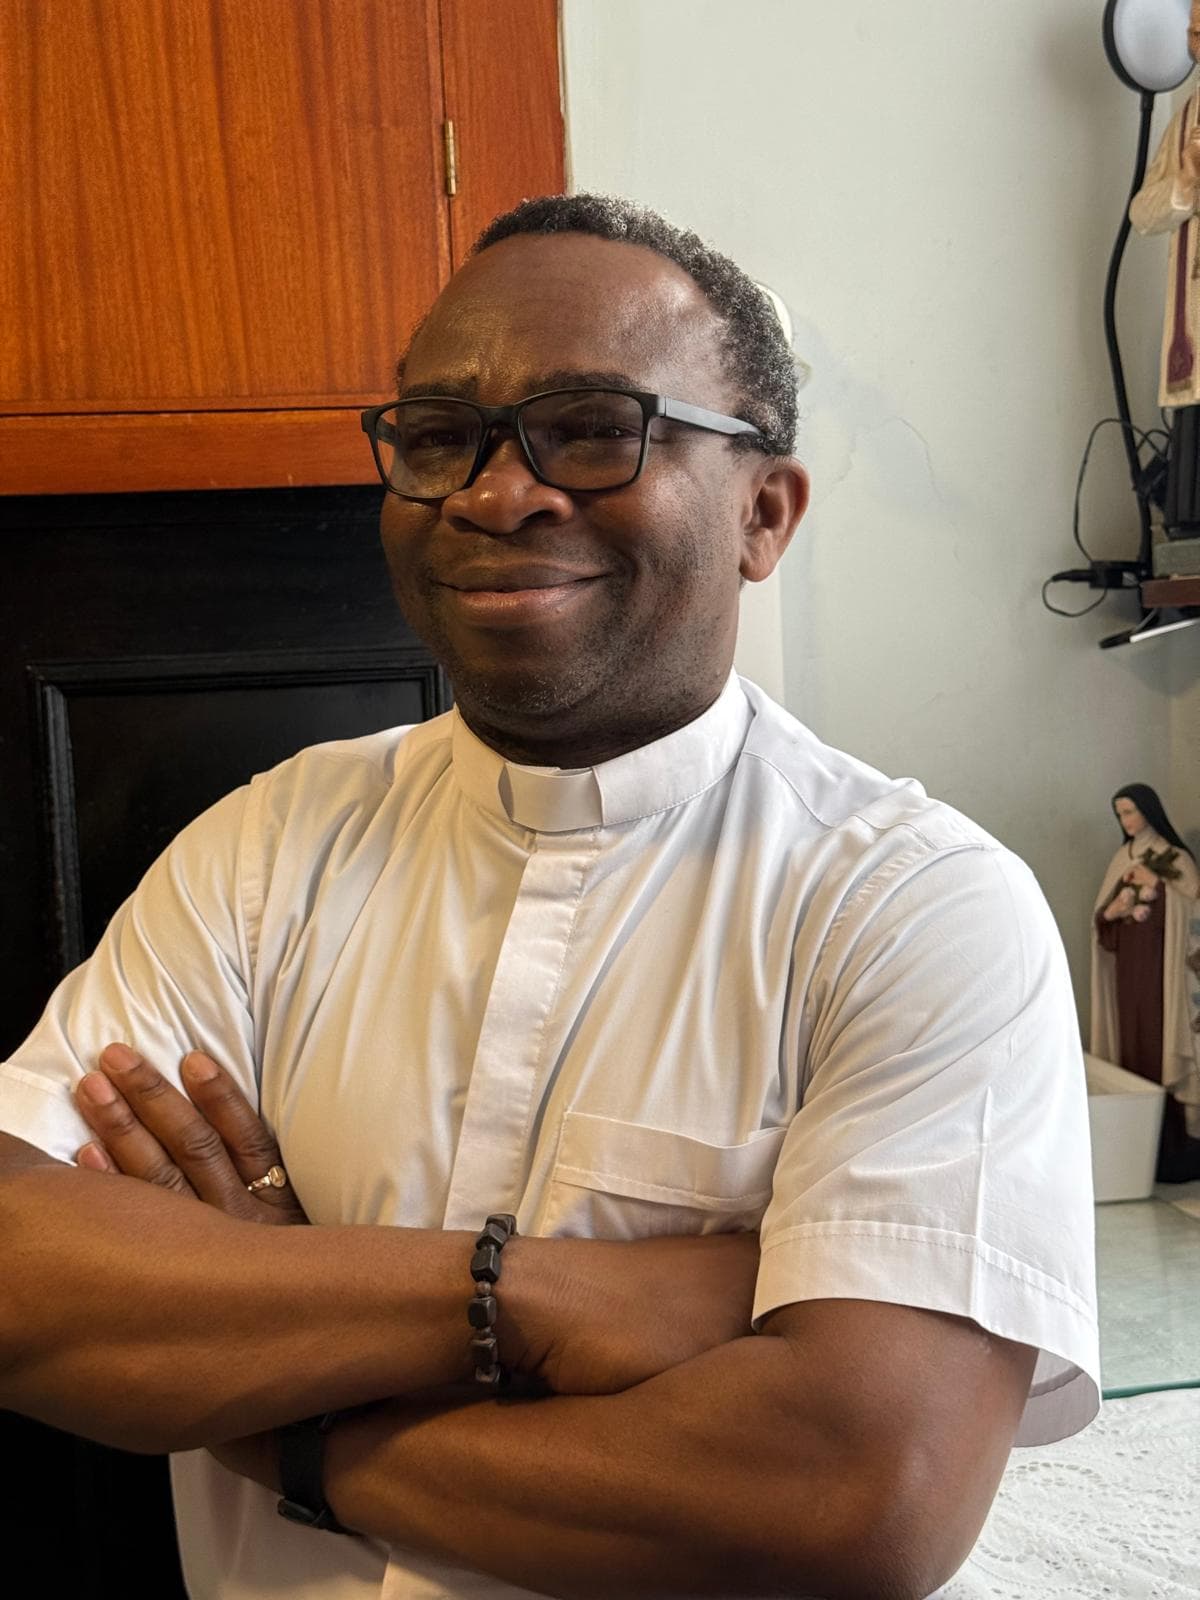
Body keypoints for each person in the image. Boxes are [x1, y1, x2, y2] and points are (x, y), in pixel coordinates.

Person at [0, 194, 1099, 1600]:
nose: (492, 492)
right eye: (441, 435)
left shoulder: (914, 910)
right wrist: (530, 1294)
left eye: (591, 428)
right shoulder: (267, 849)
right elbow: (27, 1284)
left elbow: (851, 1497)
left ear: (765, 512)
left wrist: (284, 1407)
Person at [1091, 782, 1200, 1181]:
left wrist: (1157, 887)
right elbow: (1100, 922)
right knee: (1133, 1047)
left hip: (1163, 973)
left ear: (1149, 812)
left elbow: (1191, 903)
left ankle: (1174, 1145)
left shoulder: (1175, 858)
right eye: (1120, 814)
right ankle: (1141, 1145)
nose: (1126, 821)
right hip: (1128, 975)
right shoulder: (1122, 857)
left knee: (1160, 1045)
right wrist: (1114, 912)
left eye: (1131, 812)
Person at [1129, 0, 1200, 534]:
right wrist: (1187, 185)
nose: (1197, 42)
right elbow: (1144, 212)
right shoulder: (1186, 121)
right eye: (1195, 31)